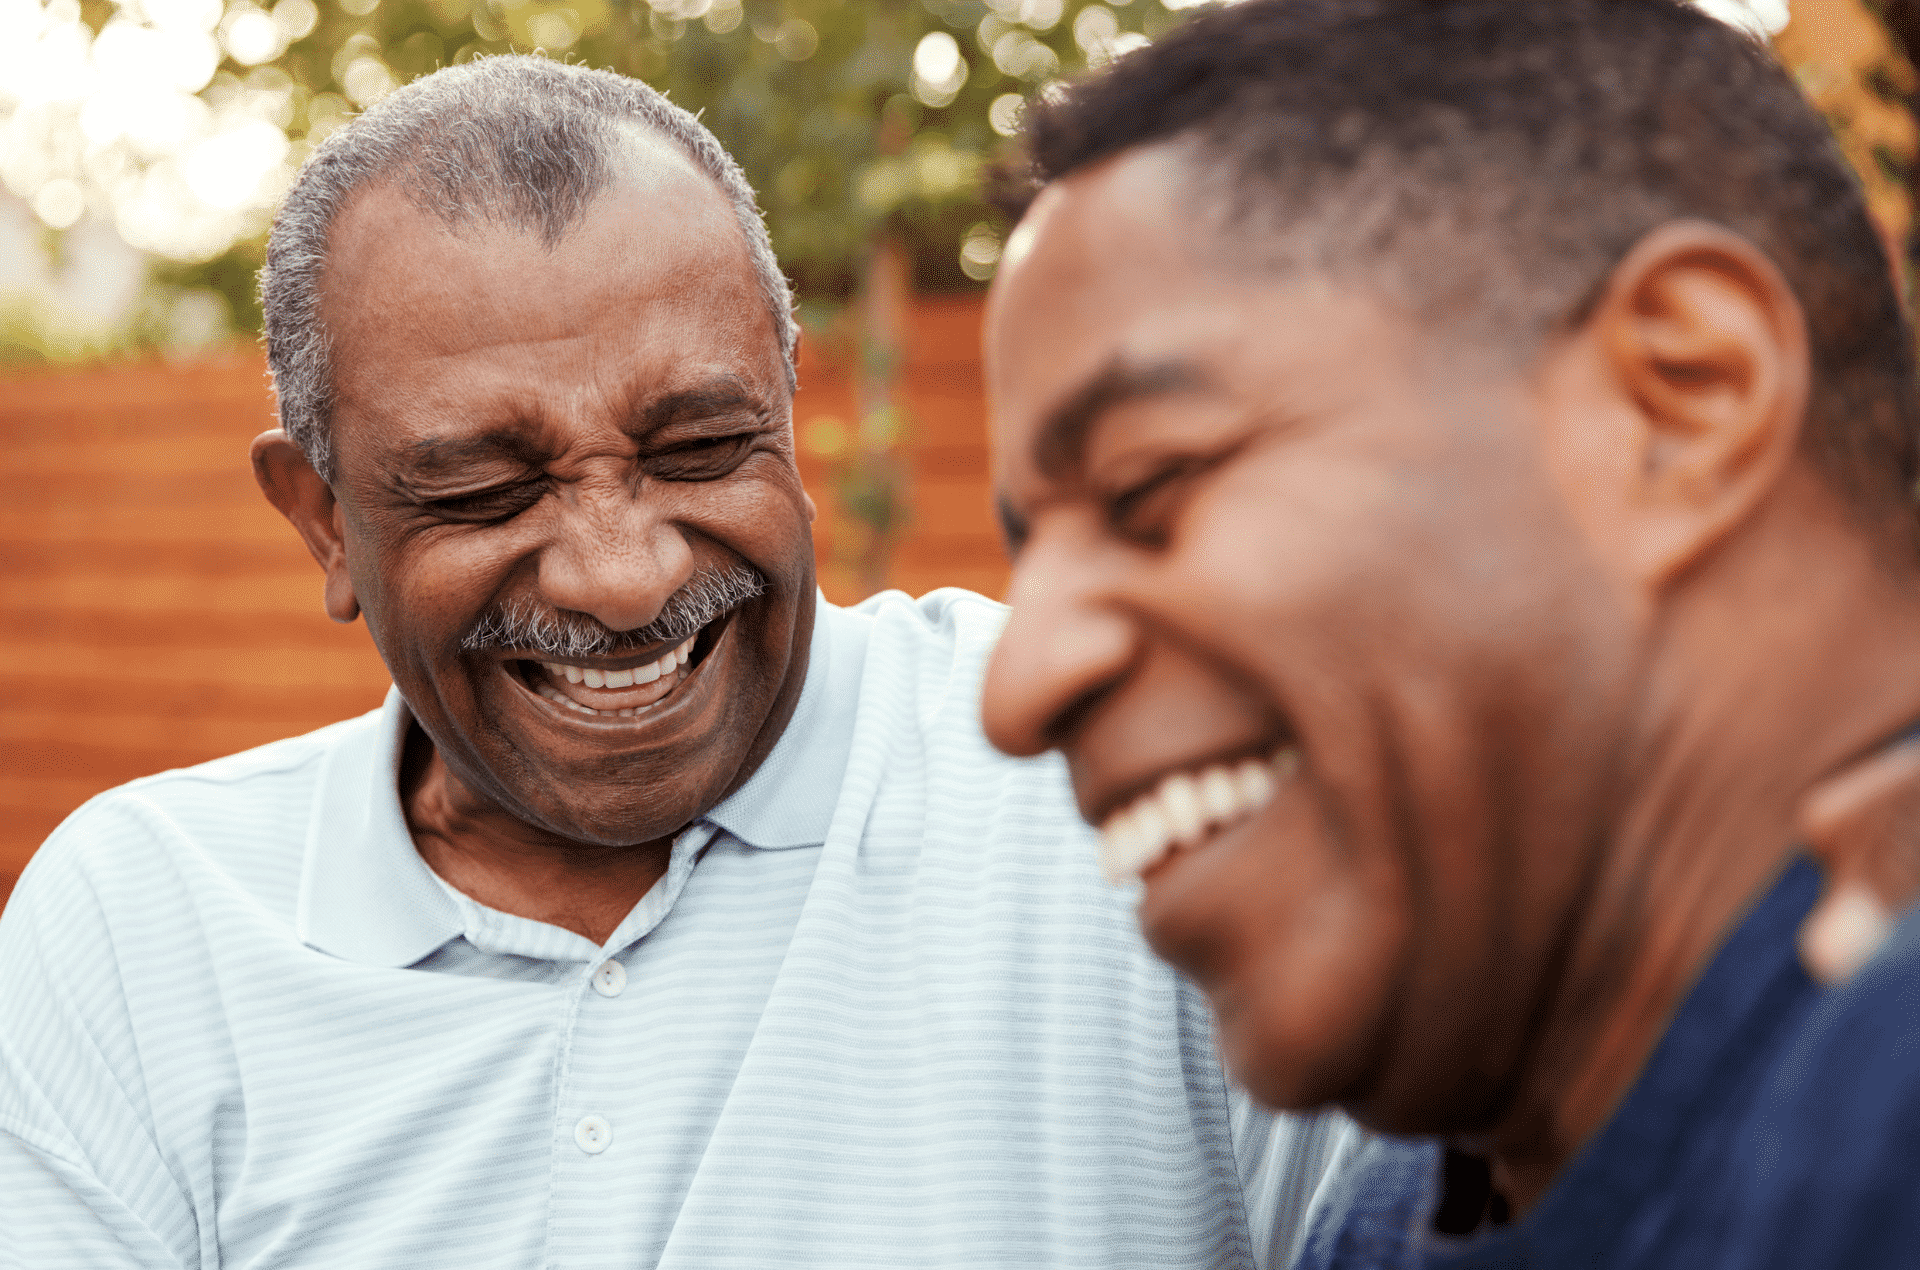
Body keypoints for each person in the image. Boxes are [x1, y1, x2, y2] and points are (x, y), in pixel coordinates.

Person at [0, 56, 1357, 1269]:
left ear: (785, 395)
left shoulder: (1125, 784)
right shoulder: (143, 931)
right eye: (483, 488)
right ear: (320, 519)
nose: (624, 574)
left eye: (702, 447)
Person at [976, 1, 1920, 1266]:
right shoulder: (1388, 1219)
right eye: (1027, 547)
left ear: (1682, 401)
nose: (1017, 685)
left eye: (1150, 485)